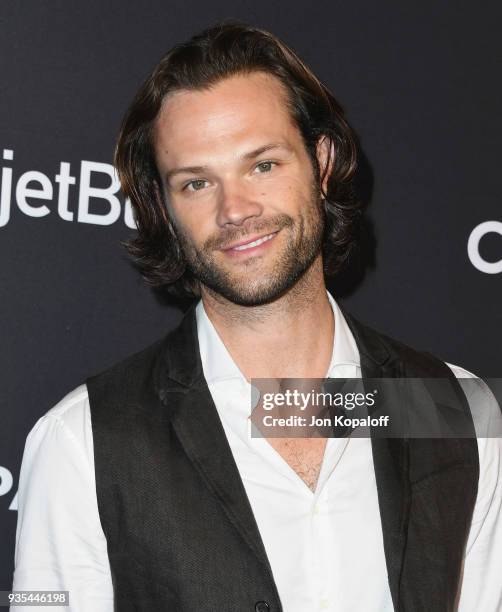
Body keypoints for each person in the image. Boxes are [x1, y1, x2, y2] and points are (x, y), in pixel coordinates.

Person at [11, 21, 502, 612]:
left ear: (321, 164)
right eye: (196, 182)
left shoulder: (453, 410)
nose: (235, 210)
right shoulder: (82, 441)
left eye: (262, 165)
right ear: (164, 210)